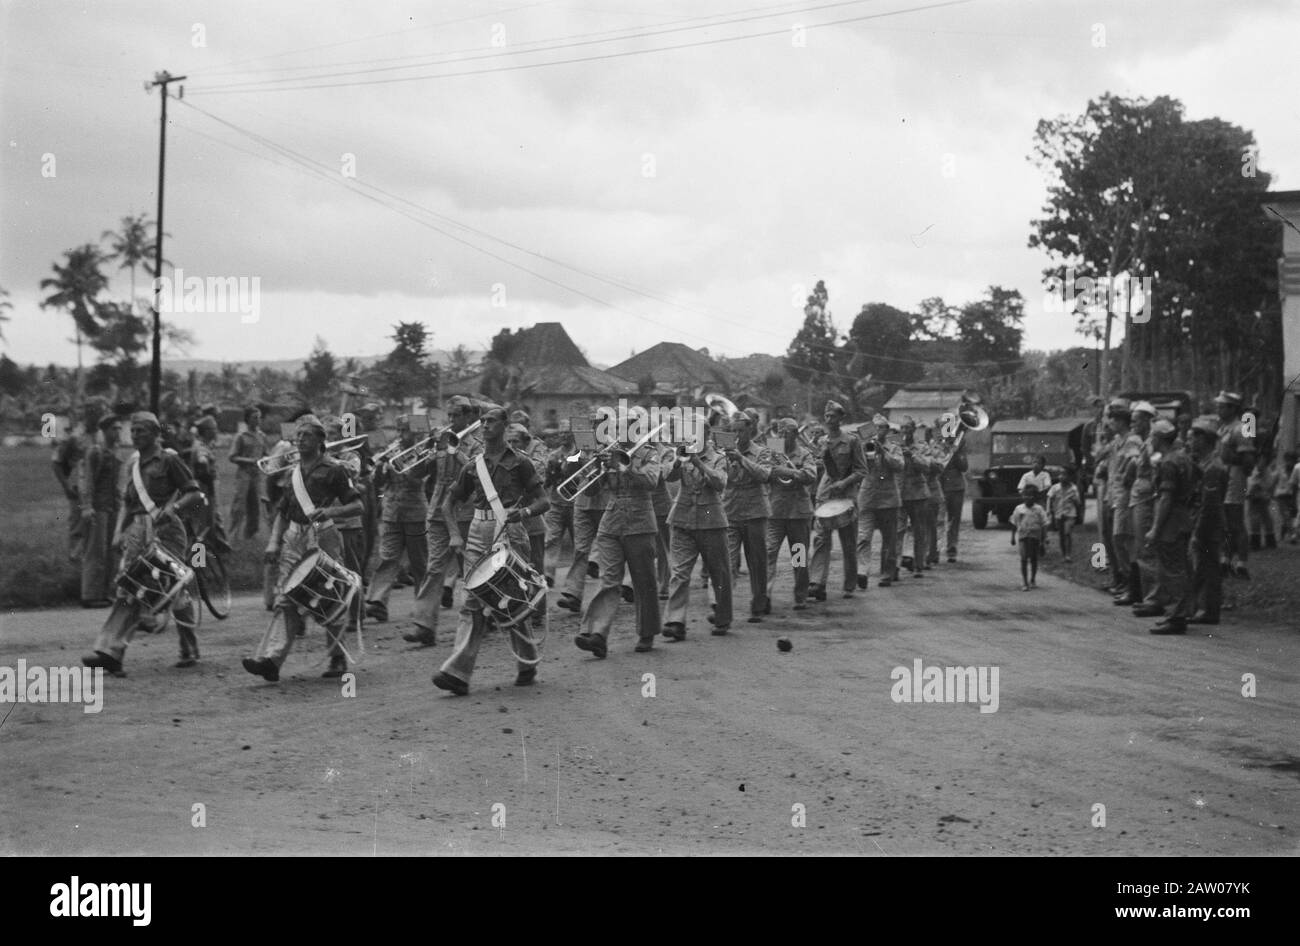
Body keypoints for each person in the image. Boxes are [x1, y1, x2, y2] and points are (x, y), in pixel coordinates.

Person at [431, 408, 550, 695]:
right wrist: (455, 535)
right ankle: (458, 673)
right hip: (476, 531)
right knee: (470, 601)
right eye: (482, 422)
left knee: (513, 600)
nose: (485, 426)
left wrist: (524, 512)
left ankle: (527, 662)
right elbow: (448, 503)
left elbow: (543, 501)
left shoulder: (521, 462)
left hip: (511, 530)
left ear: (505, 426)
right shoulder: (472, 465)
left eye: (491, 421)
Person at [82, 412, 204, 675]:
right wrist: (119, 532)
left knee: (171, 589)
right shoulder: (134, 464)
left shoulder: (169, 460)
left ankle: (189, 647)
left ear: (155, 433)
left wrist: (175, 509)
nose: (135, 435)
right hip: (138, 530)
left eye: (141, 431)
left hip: (167, 530)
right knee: (130, 588)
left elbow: (195, 493)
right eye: (133, 430)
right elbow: (128, 502)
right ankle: (111, 653)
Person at [243, 414, 364, 682]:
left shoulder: (334, 469)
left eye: (306, 435)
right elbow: (283, 513)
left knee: (328, 596)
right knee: (285, 598)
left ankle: (337, 656)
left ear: (321, 440)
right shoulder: (293, 472)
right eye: (297, 436)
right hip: (294, 537)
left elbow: (357, 506)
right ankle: (272, 660)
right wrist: (274, 542)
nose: (299, 440)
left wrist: (330, 511)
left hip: (324, 535)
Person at [574, 419, 664, 658]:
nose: (622, 434)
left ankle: (647, 632)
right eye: (620, 429)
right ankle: (597, 635)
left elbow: (651, 481)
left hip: (640, 523)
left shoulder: (649, 453)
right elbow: (592, 491)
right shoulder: (609, 453)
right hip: (611, 524)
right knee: (609, 580)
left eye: (629, 429)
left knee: (644, 582)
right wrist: (593, 467)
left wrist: (624, 467)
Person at [417, 397, 482, 645]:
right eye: (450, 416)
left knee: (471, 569)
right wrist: (429, 453)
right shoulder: (441, 440)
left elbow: (478, 471)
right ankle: (424, 625)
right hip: (437, 511)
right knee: (434, 568)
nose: (452, 421)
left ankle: (479, 619)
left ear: (467, 417)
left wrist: (457, 451)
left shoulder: (477, 443)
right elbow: (418, 474)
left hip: (465, 511)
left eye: (456, 416)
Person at [365, 415, 436, 633]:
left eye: (404, 430)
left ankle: (422, 611)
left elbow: (419, 481)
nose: (400, 435)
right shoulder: (392, 451)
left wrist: (401, 469)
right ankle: (377, 602)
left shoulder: (426, 453)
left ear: (414, 432)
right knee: (387, 558)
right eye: (398, 430)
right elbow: (378, 484)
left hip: (415, 512)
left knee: (419, 564)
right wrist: (379, 469)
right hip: (391, 513)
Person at [662, 423, 732, 640]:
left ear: (708, 435)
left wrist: (698, 463)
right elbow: (668, 477)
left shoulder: (719, 456)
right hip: (683, 519)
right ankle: (675, 621)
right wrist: (677, 461)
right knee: (680, 572)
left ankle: (722, 618)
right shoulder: (681, 451)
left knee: (718, 572)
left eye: (699, 433)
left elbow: (720, 483)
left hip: (711, 521)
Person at [1145, 420, 1198, 635]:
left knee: (1172, 570)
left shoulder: (1168, 462)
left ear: (1158, 439)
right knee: (1180, 567)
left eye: (1153, 437)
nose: (1151, 440)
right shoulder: (1183, 458)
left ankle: (1176, 616)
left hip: (1171, 522)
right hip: (1183, 518)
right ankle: (1179, 612)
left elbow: (1166, 498)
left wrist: (1155, 528)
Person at [723, 409, 773, 622]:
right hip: (733, 511)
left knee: (762, 561)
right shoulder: (725, 450)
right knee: (728, 562)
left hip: (763, 511)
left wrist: (742, 459)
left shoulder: (769, 444)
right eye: (732, 431)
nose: (736, 435)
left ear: (752, 426)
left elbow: (768, 473)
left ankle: (799, 589)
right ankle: (722, 608)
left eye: (741, 431)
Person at [809, 400, 863, 600]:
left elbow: (861, 470)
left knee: (849, 543)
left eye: (833, 416)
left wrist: (845, 483)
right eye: (827, 416)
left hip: (846, 496)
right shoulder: (821, 441)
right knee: (821, 540)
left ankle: (849, 584)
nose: (829, 420)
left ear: (841, 418)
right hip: (825, 495)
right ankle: (817, 583)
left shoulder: (852, 441)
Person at [557, 410, 609, 613]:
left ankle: (611, 591)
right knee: (580, 550)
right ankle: (573, 594)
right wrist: (575, 459)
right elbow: (566, 470)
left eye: (601, 423)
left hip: (604, 504)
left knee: (607, 552)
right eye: (594, 422)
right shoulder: (583, 444)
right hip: (583, 503)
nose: (597, 426)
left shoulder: (613, 446)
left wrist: (601, 459)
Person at [766, 417, 817, 609]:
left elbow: (811, 476)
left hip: (798, 513)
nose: (780, 436)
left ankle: (801, 595)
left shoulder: (804, 454)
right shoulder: (773, 449)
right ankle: (765, 596)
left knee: (799, 557)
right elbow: (762, 472)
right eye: (778, 432)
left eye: (785, 433)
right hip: (775, 511)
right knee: (769, 553)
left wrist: (787, 471)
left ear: (795, 434)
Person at [52, 398, 106, 562]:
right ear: (89, 413)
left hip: (99, 488)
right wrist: (67, 486)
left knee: (97, 527)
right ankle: (75, 566)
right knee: (78, 526)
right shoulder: (74, 436)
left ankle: (92, 561)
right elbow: (57, 462)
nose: (101, 416)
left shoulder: (102, 434)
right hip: (79, 488)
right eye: (98, 412)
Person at [78, 414, 123, 607]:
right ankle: (90, 595)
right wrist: (87, 506)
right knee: (96, 552)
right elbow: (87, 480)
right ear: (104, 431)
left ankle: (105, 592)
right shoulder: (95, 452)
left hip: (112, 507)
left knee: (111, 551)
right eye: (114, 428)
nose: (118, 432)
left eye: (120, 428)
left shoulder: (115, 452)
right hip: (98, 508)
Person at [855, 413, 903, 589]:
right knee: (863, 536)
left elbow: (899, 466)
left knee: (889, 540)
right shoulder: (864, 446)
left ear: (887, 430)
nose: (878, 431)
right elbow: (859, 467)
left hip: (889, 499)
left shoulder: (895, 447)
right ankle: (862, 570)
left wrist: (884, 453)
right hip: (868, 497)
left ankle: (886, 574)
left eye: (881, 427)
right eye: (875, 427)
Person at [1186, 415, 1227, 626]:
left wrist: (1198, 533)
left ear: (1204, 440)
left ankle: (1208, 610)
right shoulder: (1204, 464)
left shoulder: (1213, 468)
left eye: (1194, 438)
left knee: (1208, 567)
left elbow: (1209, 506)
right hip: (1204, 523)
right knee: (1202, 566)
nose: (1191, 442)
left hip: (1209, 527)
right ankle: (1202, 607)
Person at [1215, 391, 1255, 578]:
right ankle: (1225, 558)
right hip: (1222, 477)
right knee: (1223, 521)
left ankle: (1242, 562)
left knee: (1235, 520)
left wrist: (1232, 458)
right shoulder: (1222, 428)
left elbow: (1248, 459)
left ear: (1232, 408)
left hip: (1234, 477)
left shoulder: (1241, 428)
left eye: (1222, 406)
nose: (1219, 409)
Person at [1108, 401, 1144, 605]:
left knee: (1124, 538)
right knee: (1119, 539)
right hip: (1117, 495)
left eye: (1113, 419)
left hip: (1126, 495)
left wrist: (1128, 477)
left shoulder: (1131, 440)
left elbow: (1134, 460)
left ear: (1121, 421)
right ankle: (1128, 583)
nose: (1111, 423)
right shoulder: (1118, 441)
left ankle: (1133, 587)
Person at [1124, 401, 1158, 608]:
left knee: (1147, 549)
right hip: (1139, 497)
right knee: (1140, 548)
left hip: (1147, 498)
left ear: (1146, 420)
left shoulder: (1152, 441)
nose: (1133, 424)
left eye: (1136, 420)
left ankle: (1153, 597)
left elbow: (1153, 469)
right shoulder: (1144, 441)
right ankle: (1147, 595)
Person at [896, 416, 930, 580]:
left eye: (908, 428)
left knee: (919, 531)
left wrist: (912, 456)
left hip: (917, 493)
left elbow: (926, 466)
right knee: (898, 531)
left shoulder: (922, 446)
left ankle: (918, 565)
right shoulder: (895, 446)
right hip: (900, 493)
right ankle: (894, 566)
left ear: (913, 430)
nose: (905, 431)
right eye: (902, 428)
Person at [542, 425, 577, 587]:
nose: (563, 436)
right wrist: (551, 471)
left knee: (579, 542)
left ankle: (574, 581)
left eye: (566, 433)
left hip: (575, 504)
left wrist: (566, 465)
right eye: (560, 432)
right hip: (556, 503)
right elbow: (547, 482)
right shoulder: (553, 455)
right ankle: (548, 575)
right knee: (551, 540)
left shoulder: (579, 453)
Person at [228, 406, 266, 540]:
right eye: (255, 417)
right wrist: (250, 460)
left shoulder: (262, 436)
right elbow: (232, 456)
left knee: (255, 505)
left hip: (256, 475)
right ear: (247, 420)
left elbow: (265, 454)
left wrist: (265, 460)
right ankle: (233, 534)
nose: (258, 420)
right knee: (239, 505)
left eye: (259, 417)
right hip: (244, 474)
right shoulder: (241, 436)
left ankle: (250, 534)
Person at [938, 416, 968, 563]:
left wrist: (956, 452)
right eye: (944, 427)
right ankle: (935, 549)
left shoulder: (959, 447)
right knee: (937, 520)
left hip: (956, 488)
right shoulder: (936, 445)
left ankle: (951, 548)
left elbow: (964, 467)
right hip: (940, 487)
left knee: (953, 520)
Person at [1010, 485, 1048, 591]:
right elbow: (1014, 522)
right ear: (1023, 496)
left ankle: (1033, 579)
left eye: (1031, 495)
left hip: (1035, 536)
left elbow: (1044, 524)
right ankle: (1025, 582)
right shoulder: (1019, 509)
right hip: (1023, 536)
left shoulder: (1039, 509)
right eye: (1026, 495)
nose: (1028, 497)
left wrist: (1044, 539)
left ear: (1035, 497)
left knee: (1034, 558)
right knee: (1023, 558)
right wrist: (1012, 537)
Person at [1047, 467, 1082, 562]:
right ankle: (1063, 554)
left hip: (1070, 514)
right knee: (1061, 535)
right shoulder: (1055, 487)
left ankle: (1068, 555)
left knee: (1067, 533)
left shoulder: (1073, 488)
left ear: (1070, 477)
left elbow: (1078, 503)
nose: (1061, 477)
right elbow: (1049, 498)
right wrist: (1049, 510)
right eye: (1060, 474)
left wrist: (1075, 502)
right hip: (1058, 514)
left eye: (1064, 474)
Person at [1245, 453, 1278, 550]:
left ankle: (1255, 542)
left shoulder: (1261, 460)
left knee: (1254, 515)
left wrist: (1252, 490)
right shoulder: (1264, 458)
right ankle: (1270, 540)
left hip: (1257, 491)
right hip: (1263, 491)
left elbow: (1259, 468)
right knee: (1265, 516)